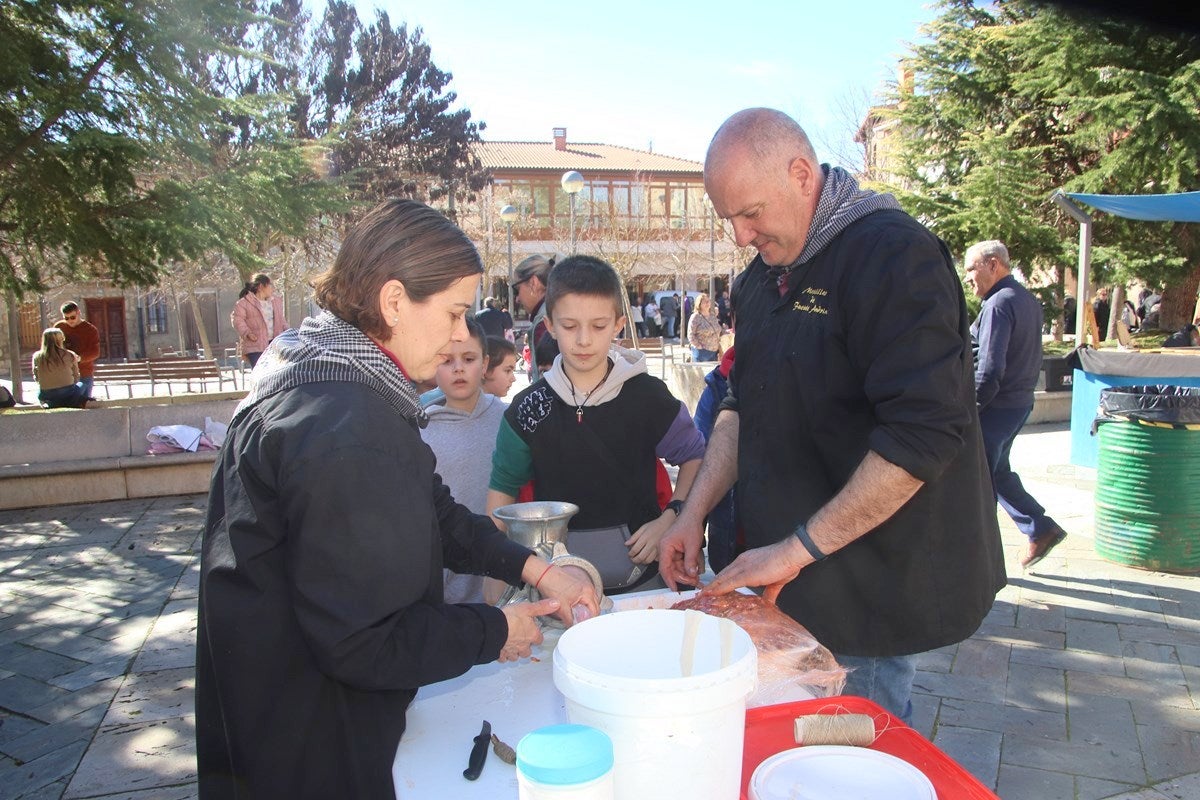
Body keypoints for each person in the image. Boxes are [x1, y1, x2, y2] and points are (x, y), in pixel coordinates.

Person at [196, 199, 598, 799]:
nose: (463, 335)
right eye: (455, 313)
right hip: (309, 741)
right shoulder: (344, 427)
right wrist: (495, 631)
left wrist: (537, 569)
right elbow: (365, 641)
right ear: (392, 302)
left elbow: (434, 510)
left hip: (278, 707)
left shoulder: (328, 373)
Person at [659, 108, 1004, 724]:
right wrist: (693, 512)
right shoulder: (761, 281)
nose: (740, 237)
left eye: (751, 213)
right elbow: (741, 402)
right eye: (728, 218)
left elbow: (923, 433)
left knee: (853, 756)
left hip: (867, 588)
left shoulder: (896, 256)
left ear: (800, 173)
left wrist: (796, 549)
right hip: (787, 579)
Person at [487, 255, 706, 594]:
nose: (584, 340)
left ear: (619, 323)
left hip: (645, 582)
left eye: (599, 326)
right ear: (550, 324)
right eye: (570, 326)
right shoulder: (526, 409)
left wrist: (671, 517)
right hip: (557, 590)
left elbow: (696, 456)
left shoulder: (648, 396)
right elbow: (499, 505)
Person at [966, 241, 1069, 570]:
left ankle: (979, 562)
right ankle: (1039, 527)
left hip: (996, 407)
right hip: (1018, 403)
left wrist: (973, 408)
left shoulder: (999, 303)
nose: (969, 278)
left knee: (978, 483)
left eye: (972, 269)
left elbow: (991, 368)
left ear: (993, 265)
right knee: (996, 473)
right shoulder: (1024, 298)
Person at [422, 318, 509, 604]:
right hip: (444, 588)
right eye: (447, 360)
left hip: (505, 576)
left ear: (484, 365)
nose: (458, 368)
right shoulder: (419, 431)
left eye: (468, 359)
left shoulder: (510, 421)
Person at [693, 346, 739, 572]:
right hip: (727, 545)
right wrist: (694, 533)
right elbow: (697, 461)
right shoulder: (716, 388)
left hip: (791, 551)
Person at [231, 273, 288, 368]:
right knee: (260, 372)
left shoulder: (276, 302)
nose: (272, 288)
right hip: (255, 346)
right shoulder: (244, 303)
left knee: (275, 373)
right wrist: (247, 333)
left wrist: (289, 332)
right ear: (261, 286)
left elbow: (282, 321)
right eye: (270, 285)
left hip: (275, 344)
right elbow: (237, 320)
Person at [512, 255, 554, 381]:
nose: (517, 298)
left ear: (533, 283)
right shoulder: (554, 311)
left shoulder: (543, 322)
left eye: (516, 290)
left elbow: (547, 380)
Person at [32, 328, 89, 408]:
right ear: (61, 340)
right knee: (83, 385)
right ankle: (77, 403)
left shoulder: (37, 356)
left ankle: (53, 403)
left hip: (46, 393)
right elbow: (76, 376)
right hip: (68, 392)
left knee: (41, 393)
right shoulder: (69, 354)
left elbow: (36, 377)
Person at [55, 302, 99, 399]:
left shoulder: (90, 330)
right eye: (66, 318)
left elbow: (95, 352)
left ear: (78, 313)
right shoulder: (59, 328)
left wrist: (79, 358)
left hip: (84, 373)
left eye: (72, 317)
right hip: (64, 373)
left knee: (84, 402)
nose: (70, 321)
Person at [687, 292, 722, 362]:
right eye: (704, 302)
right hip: (701, 352)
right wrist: (698, 346)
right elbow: (690, 334)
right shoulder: (695, 317)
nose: (707, 303)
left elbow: (717, 329)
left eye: (708, 301)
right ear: (699, 304)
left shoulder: (712, 315)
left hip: (714, 352)